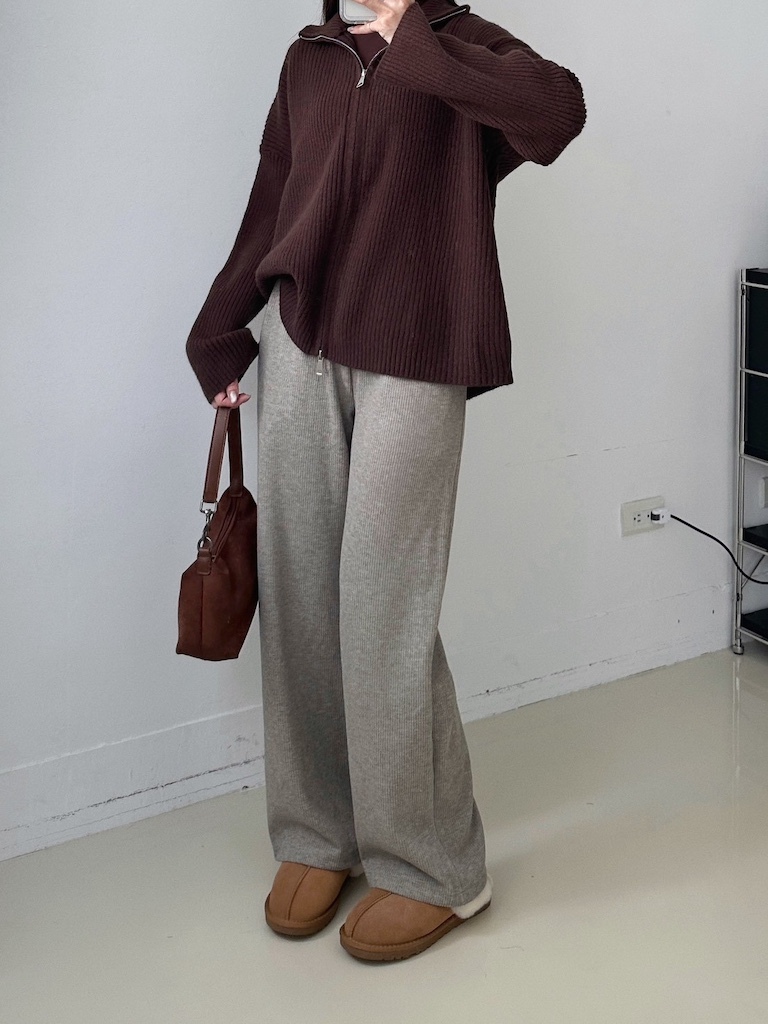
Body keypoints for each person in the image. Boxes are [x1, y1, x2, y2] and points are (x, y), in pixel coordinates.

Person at [185, 0, 586, 962]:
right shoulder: (310, 58)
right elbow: (273, 198)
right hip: (300, 343)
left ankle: (436, 867)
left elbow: (557, 114)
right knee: (299, 595)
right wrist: (218, 329)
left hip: (417, 347)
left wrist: (413, 43)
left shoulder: (464, 45)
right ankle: (318, 832)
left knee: (384, 606)